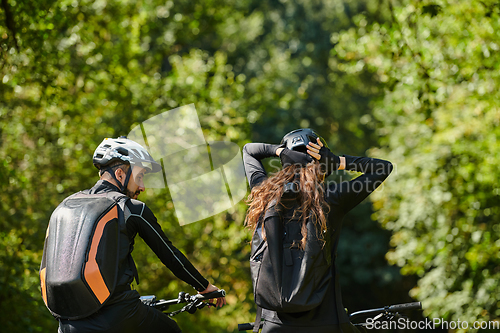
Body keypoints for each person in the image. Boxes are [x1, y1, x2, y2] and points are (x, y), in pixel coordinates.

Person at [44, 136, 225, 333]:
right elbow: (169, 255)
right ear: (120, 174)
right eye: (139, 177)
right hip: (117, 315)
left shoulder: (66, 205)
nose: (142, 187)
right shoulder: (129, 208)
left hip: (68, 323)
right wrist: (204, 286)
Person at [243, 128, 393, 333]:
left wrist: (279, 151)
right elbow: (383, 168)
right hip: (327, 322)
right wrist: (338, 161)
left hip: (274, 324)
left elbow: (248, 150)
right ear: (322, 162)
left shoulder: (265, 194)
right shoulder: (331, 198)